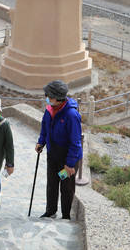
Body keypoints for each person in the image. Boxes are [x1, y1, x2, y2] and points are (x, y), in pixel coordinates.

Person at [35, 80, 82, 220]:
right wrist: (41, 142)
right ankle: (50, 211)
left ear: (58, 98)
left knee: (66, 188)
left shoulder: (71, 115)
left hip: (67, 159)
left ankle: (66, 215)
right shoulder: (49, 109)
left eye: (48, 95)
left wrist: (70, 164)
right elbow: (45, 127)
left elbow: (76, 142)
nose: (46, 98)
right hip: (53, 155)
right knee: (52, 184)